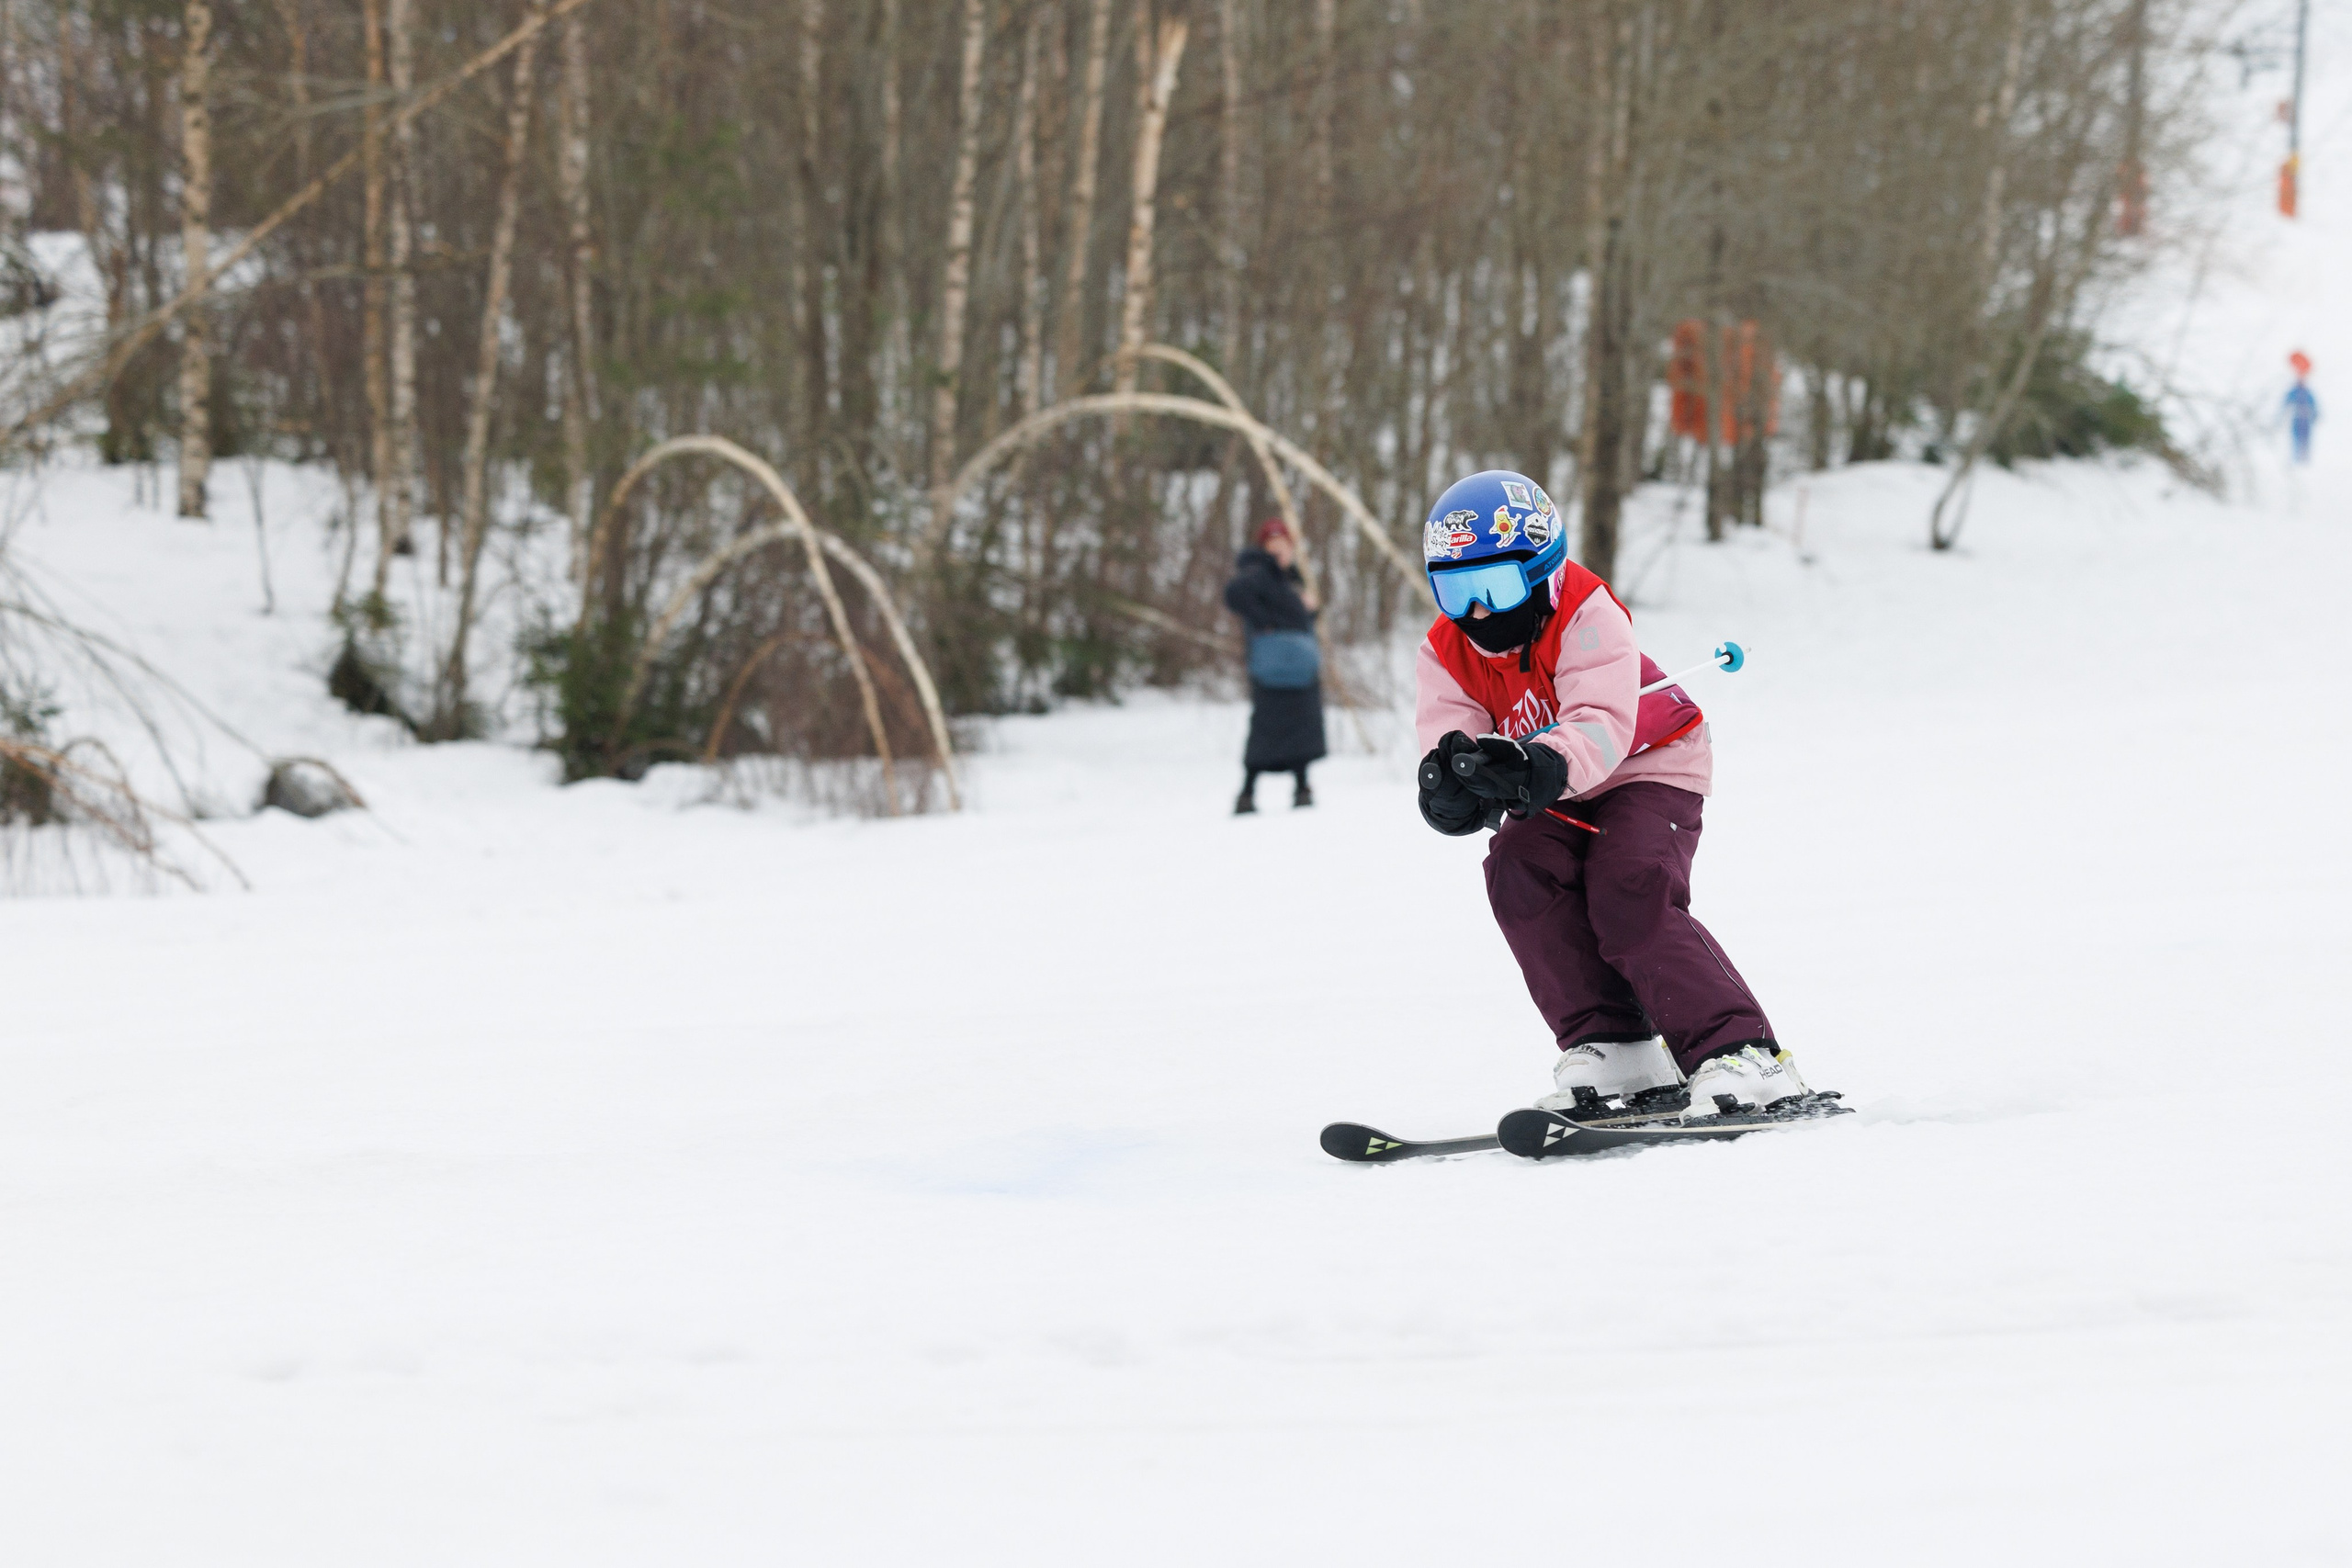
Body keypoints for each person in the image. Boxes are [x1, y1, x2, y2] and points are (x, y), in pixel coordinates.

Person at [1412, 468, 1804, 1118]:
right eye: (1454, 591)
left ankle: (1742, 1050)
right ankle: (1614, 1039)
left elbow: (1600, 725)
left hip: (1650, 762)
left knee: (1628, 882)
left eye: (1494, 586)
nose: (1477, 611)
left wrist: (1534, 766)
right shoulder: (1446, 648)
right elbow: (1453, 739)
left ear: (1540, 571)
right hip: (1558, 780)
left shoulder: (1586, 611)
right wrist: (1456, 788)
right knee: (1517, 869)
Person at [1222, 518, 1328, 815]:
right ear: (1266, 548)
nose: (1281, 551)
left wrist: (1310, 609)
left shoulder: (1290, 578)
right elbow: (1234, 595)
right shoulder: (1259, 572)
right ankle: (1247, 792)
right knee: (1266, 728)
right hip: (1272, 669)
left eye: (1285, 545)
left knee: (1301, 726)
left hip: (1298, 668)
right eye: (1274, 545)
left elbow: (1299, 619)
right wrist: (1266, 623)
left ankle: (1302, 787)